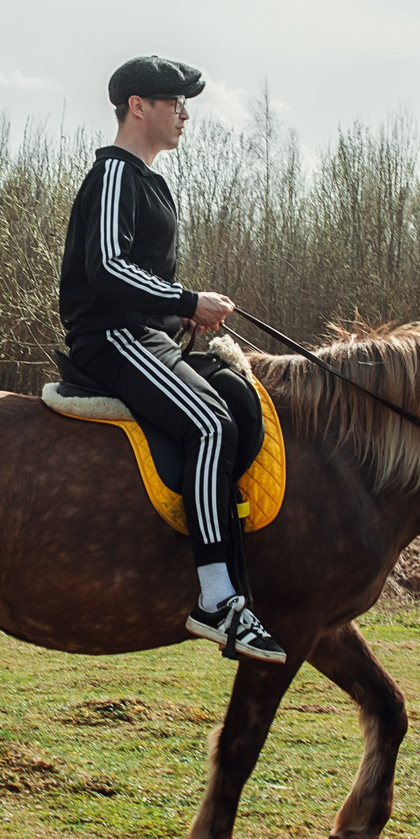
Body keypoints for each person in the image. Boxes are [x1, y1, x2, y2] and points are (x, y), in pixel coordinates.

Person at [58, 57, 285, 664]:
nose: (185, 114)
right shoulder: (114, 176)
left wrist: (177, 314)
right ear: (139, 106)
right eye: (174, 102)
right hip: (111, 336)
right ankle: (215, 600)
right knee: (210, 424)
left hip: (146, 333)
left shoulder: (149, 181)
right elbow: (106, 267)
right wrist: (187, 299)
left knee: (234, 403)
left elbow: (136, 273)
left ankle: (237, 581)